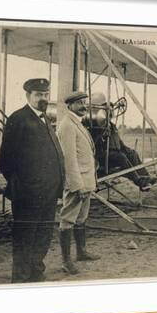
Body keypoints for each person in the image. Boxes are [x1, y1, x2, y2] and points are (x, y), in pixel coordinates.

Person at [0, 78, 65, 283]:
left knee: (43, 236)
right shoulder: (18, 119)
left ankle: (36, 272)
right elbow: (5, 158)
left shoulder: (45, 119)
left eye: (45, 94)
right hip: (29, 194)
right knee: (25, 237)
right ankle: (21, 278)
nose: (43, 98)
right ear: (28, 96)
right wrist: (23, 184)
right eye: (38, 95)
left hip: (48, 192)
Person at [57, 91, 101, 275]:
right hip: (78, 182)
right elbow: (69, 159)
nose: (84, 106)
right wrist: (77, 185)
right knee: (68, 220)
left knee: (81, 218)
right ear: (70, 106)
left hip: (86, 180)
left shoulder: (77, 123)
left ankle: (81, 252)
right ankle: (66, 261)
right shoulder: (67, 125)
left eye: (85, 102)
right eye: (80, 103)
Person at [83, 92, 156, 191]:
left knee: (132, 153)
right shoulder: (92, 126)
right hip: (102, 157)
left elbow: (119, 144)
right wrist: (102, 134)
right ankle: (139, 181)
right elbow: (93, 146)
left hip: (113, 155)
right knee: (121, 157)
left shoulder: (111, 126)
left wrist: (127, 150)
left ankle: (146, 178)